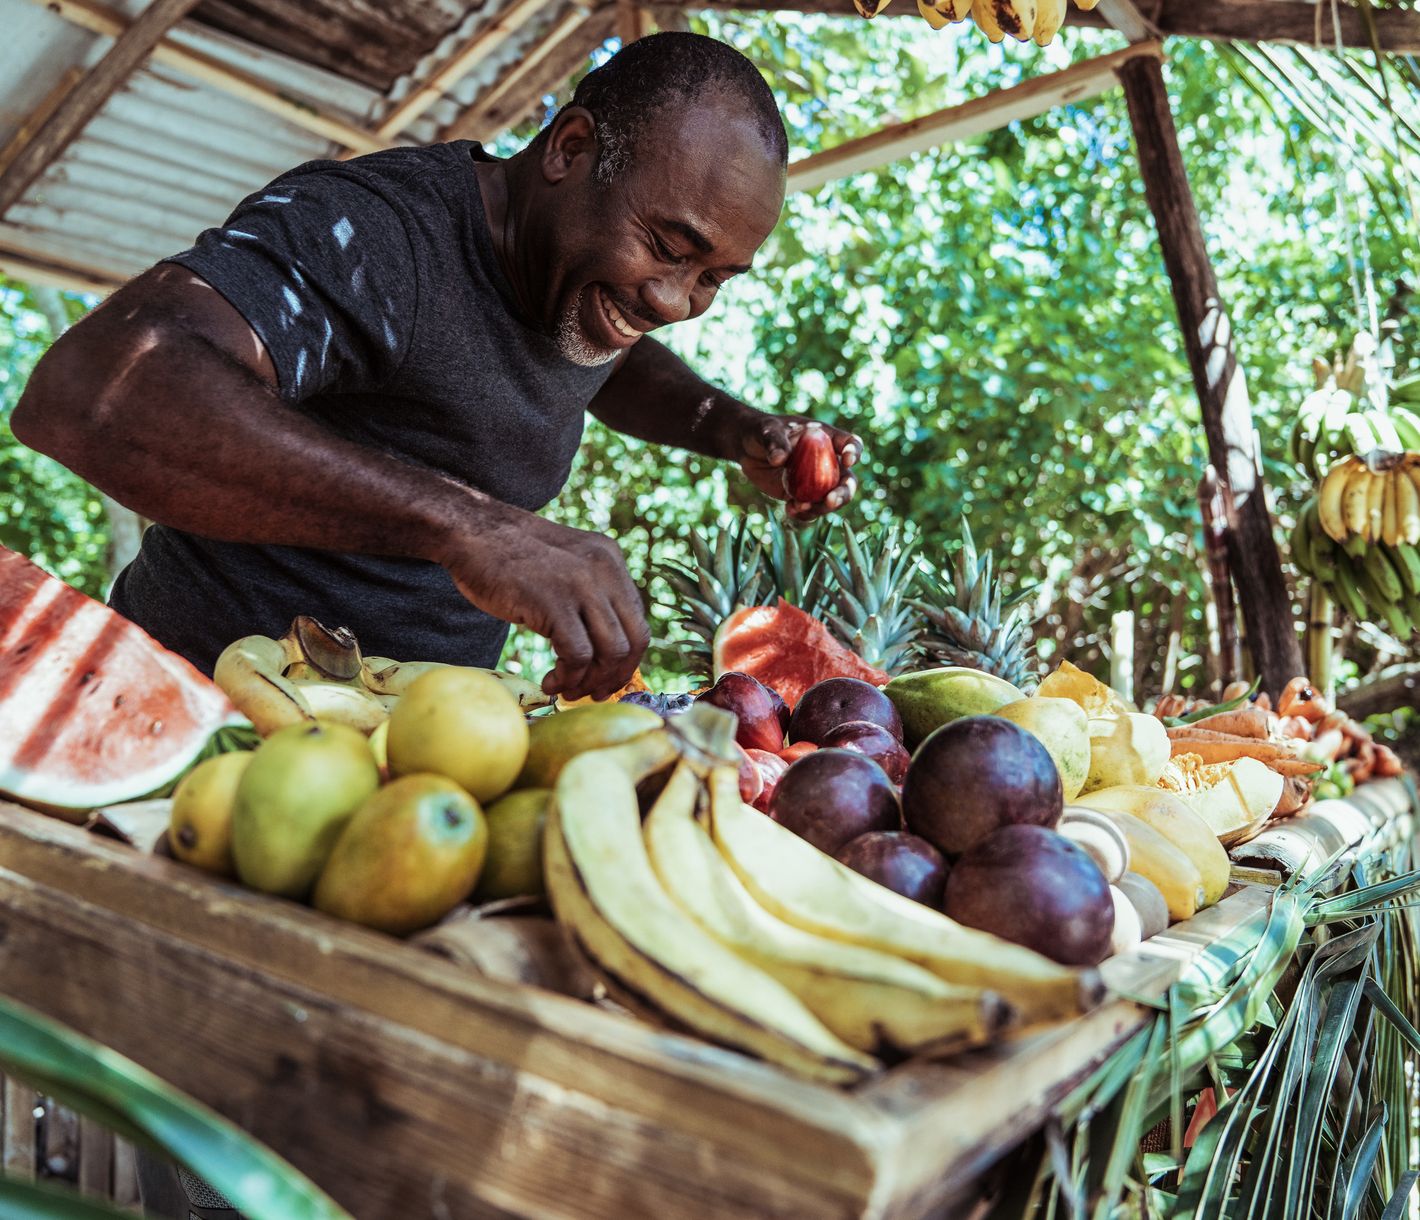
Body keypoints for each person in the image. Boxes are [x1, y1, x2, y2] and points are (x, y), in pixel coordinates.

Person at [13, 31, 861, 708]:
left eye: (715, 278)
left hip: (402, 747)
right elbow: (93, 394)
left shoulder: (573, 284)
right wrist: (471, 527)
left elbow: (607, 360)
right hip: (194, 706)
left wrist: (732, 427)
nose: (677, 301)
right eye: (670, 250)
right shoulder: (377, 236)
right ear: (569, 147)